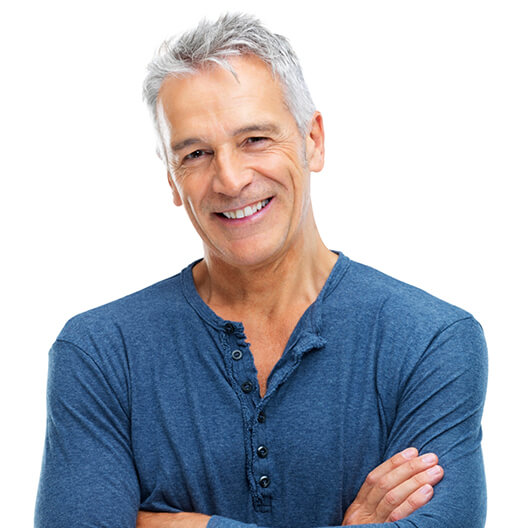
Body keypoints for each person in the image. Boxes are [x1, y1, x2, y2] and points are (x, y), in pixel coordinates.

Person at [35, 13, 488, 528]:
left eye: (254, 140)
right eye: (196, 153)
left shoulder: (432, 341)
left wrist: (176, 524)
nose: (229, 179)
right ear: (171, 177)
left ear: (312, 140)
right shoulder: (99, 353)